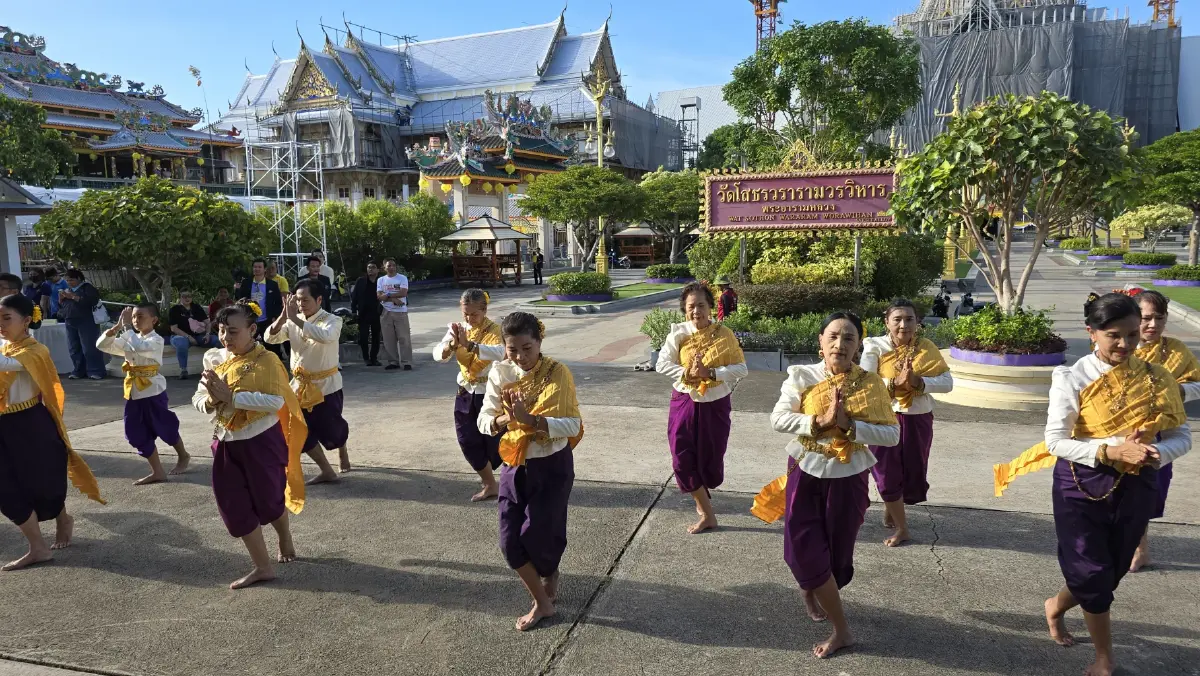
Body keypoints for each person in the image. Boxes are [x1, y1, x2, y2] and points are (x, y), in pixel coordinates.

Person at [993, 293, 1190, 676]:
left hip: (1138, 482)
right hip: (1081, 482)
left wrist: (1157, 455)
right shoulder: (1071, 376)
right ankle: (1105, 658)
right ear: (1092, 333)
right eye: (1114, 335)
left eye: (1133, 335)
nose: (1126, 344)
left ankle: (1056, 604)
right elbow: (1056, 441)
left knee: (1110, 570)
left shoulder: (1156, 378)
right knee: (1091, 571)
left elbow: (1181, 436)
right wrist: (1112, 451)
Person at [755, 311, 899, 658]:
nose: (840, 343)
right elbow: (778, 418)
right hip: (805, 467)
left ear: (858, 346)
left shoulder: (872, 384)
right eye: (833, 336)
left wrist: (851, 427)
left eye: (849, 338)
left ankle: (813, 588)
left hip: (848, 476)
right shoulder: (801, 376)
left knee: (837, 552)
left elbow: (892, 434)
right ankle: (843, 630)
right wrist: (818, 421)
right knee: (800, 547)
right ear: (820, 343)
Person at [477, 312, 583, 631]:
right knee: (510, 542)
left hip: (552, 464)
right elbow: (484, 419)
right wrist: (506, 420)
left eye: (527, 348)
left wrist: (532, 420)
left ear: (539, 342)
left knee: (541, 536)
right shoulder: (500, 372)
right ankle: (542, 603)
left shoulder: (557, 373)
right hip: (515, 463)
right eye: (513, 350)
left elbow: (573, 425)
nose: (521, 357)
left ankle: (551, 573)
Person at [192, 299, 308, 589]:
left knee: (270, 502)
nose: (225, 338)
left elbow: (276, 402)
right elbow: (197, 398)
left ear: (252, 330)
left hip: (261, 441)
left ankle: (284, 536)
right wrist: (209, 401)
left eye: (233, 331)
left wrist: (233, 398)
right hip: (225, 441)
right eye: (221, 331)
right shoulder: (214, 359)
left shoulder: (267, 361)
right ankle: (262, 566)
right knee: (233, 506)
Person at [0, 292, 105, 570]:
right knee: (5, 489)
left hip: (30, 424)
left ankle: (62, 519)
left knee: (43, 484)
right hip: (3, 425)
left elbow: (8, 365)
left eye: (6, 318)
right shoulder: (3, 347)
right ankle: (38, 547)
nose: (0, 324)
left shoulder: (35, 351)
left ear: (25, 321)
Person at [860, 298, 953, 547]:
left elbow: (948, 383)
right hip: (883, 418)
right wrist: (894, 384)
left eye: (909, 319)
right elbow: (866, 382)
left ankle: (893, 508)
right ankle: (903, 528)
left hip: (918, 418)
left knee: (913, 470)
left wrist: (919, 383)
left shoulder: (926, 348)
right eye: (897, 319)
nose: (903, 325)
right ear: (887, 323)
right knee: (886, 473)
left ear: (917, 322)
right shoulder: (875, 347)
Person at [655, 282, 747, 533]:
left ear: (710, 308)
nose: (697, 311)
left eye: (701, 306)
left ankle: (703, 496)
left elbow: (742, 369)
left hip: (715, 403)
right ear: (685, 310)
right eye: (691, 307)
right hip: (684, 400)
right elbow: (662, 364)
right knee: (682, 457)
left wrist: (712, 373)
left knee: (710, 459)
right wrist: (687, 372)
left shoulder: (725, 335)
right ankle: (707, 513)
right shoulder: (679, 334)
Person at [1129, 289, 1200, 572]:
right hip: (1118, 432)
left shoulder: (1176, 351)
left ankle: (1140, 549)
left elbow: (1197, 385)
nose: (1153, 324)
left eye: (1159, 318)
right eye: (1146, 318)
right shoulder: (1119, 347)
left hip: (1160, 433)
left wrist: (1176, 390)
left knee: (1145, 492)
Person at [265, 279, 350, 484]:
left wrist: (295, 319)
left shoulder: (332, 320)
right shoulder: (292, 319)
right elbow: (270, 338)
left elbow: (325, 337)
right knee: (296, 430)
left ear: (319, 299)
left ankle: (342, 449)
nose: (301, 304)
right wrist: (284, 317)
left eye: (305, 300)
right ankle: (326, 470)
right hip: (298, 387)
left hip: (326, 386)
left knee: (333, 430)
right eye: (297, 300)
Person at [97, 303, 190, 484]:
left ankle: (183, 455)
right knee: (134, 432)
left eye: (140, 316)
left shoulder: (156, 340)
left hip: (152, 391)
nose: (135, 320)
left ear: (154, 320)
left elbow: (139, 346)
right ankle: (158, 471)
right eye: (133, 317)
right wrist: (116, 328)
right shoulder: (130, 337)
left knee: (165, 426)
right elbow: (102, 345)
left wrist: (125, 329)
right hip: (133, 391)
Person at [434, 289, 506, 501]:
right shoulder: (458, 329)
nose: (468, 318)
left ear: (484, 310)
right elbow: (438, 353)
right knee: (466, 438)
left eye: (473, 314)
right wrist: (448, 347)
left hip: (489, 393)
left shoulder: (497, 331)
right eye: (465, 313)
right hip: (466, 391)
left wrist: (471, 345)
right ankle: (489, 483)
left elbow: (502, 352)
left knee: (494, 440)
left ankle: (510, 479)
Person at [57, 269, 106, 380]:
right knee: (74, 348)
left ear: (79, 278)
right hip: (70, 320)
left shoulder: (87, 288)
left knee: (89, 347)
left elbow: (92, 301)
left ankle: (96, 371)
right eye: (68, 280)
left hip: (86, 321)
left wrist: (73, 297)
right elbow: (63, 306)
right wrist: (61, 300)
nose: (70, 282)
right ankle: (78, 370)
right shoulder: (67, 289)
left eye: (72, 280)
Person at [235, 258, 284, 361]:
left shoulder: (272, 284)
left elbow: (279, 303)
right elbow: (240, 299)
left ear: (264, 269)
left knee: (271, 345)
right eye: (255, 267)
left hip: (266, 319)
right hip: (250, 320)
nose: (257, 269)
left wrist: (275, 317)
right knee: (245, 344)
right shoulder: (246, 283)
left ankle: (275, 365)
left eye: (259, 267)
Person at [169, 290, 222, 380]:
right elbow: (174, 328)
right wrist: (188, 337)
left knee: (216, 340)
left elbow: (208, 323)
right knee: (182, 344)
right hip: (181, 336)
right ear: (180, 298)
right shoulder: (174, 310)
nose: (187, 298)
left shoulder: (196, 307)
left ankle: (219, 367)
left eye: (189, 296)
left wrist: (208, 334)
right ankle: (183, 370)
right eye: (184, 296)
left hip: (198, 336)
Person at [376, 258, 413, 371]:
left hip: (400, 311)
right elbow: (379, 296)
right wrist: (393, 298)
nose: (391, 267)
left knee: (404, 337)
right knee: (388, 338)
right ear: (384, 268)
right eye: (389, 266)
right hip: (386, 311)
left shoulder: (402, 278)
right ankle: (393, 361)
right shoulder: (381, 280)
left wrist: (387, 296)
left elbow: (403, 292)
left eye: (393, 265)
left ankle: (407, 361)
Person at [351, 261, 382, 365]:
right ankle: (366, 358)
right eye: (369, 267)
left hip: (377, 313)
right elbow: (354, 297)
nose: (370, 269)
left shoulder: (381, 281)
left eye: (373, 267)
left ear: (378, 270)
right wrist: (353, 311)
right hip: (363, 313)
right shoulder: (361, 281)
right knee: (363, 337)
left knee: (376, 337)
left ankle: (374, 358)